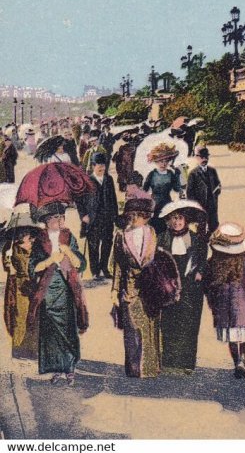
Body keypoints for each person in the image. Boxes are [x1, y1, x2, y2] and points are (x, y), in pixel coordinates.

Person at [28, 203, 88, 385]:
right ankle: (56, 369)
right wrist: (50, 260)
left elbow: (80, 264)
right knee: (51, 332)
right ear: (46, 221)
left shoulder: (69, 237)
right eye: (54, 217)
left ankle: (69, 369)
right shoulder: (40, 241)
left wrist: (68, 251)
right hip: (47, 291)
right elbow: (33, 268)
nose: (59, 220)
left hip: (66, 289)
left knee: (68, 328)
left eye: (61, 216)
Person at [111, 195, 164, 378]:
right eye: (130, 215)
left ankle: (149, 368)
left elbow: (158, 260)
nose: (133, 219)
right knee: (132, 327)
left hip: (150, 287)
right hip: (130, 287)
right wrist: (115, 290)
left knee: (149, 326)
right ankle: (134, 368)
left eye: (137, 215)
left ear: (146, 216)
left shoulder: (152, 233)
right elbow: (117, 265)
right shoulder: (121, 236)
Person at [156, 201, 208, 374]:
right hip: (168, 287)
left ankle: (187, 363)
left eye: (180, 218)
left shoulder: (197, 240)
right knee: (169, 323)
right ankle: (170, 361)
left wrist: (200, 272)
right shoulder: (162, 238)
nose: (177, 222)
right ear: (168, 221)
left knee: (189, 324)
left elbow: (203, 261)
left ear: (186, 220)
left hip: (191, 288)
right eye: (173, 218)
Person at [205, 223, 245, 379]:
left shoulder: (213, 262)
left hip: (223, 307)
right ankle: (242, 360)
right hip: (243, 305)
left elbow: (208, 285)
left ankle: (237, 363)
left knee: (232, 336)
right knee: (244, 333)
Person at [77, 152, 118, 280]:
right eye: (98, 165)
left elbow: (113, 199)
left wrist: (115, 216)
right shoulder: (87, 181)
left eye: (103, 165)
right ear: (93, 166)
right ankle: (95, 271)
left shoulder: (109, 179)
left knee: (107, 244)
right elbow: (78, 200)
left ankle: (104, 268)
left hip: (107, 218)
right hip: (93, 219)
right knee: (93, 245)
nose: (101, 168)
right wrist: (83, 215)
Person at [2, 219, 39, 359]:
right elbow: (6, 265)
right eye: (21, 231)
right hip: (19, 284)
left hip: (35, 283)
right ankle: (18, 349)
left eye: (26, 231)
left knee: (34, 316)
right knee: (20, 315)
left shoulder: (37, 246)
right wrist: (8, 261)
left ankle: (33, 349)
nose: (23, 233)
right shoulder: (11, 246)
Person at [142, 143, 183, 229]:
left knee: (167, 226)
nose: (163, 164)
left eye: (166, 161)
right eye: (161, 161)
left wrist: (178, 175)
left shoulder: (171, 174)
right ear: (156, 161)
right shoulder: (152, 174)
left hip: (167, 204)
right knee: (154, 227)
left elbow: (176, 188)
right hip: (154, 204)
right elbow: (144, 190)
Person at [187, 147, 221, 235]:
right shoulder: (193, 174)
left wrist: (217, 192)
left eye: (206, 157)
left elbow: (218, 184)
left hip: (212, 205)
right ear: (197, 158)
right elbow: (189, 193)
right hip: (200, 206)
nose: (204, 159)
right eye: (202, 157)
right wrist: (196, 206)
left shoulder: (212, 171)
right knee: (200, 228)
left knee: (214, 226)